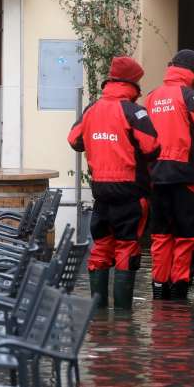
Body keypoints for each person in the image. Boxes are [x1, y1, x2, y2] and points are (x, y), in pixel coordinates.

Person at [67, 56, 159, 310]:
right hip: (131, 191)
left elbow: (74, 140)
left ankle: (97, 313)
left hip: (101, 192)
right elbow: (152, 147)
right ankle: (122, 318)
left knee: (102, 246)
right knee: (127, 246)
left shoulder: (92, 109)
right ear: (133, 83)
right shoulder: (135, 112)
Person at [147, 49, 194, 300]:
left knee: (161, 236)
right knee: (186, 237)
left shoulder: (152, 97)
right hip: (186, 180)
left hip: (156, 178)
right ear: (192, 68)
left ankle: (159, 288)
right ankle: (179, 292)